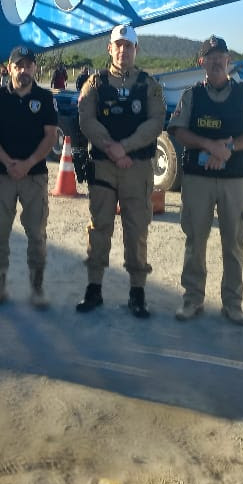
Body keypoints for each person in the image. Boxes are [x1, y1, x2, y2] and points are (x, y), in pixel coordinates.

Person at [167, 36, 243, 325]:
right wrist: (209, 146)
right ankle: (192, 298)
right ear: (202, 62)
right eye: (210, 57)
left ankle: (233, 303)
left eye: (221, 56)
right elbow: (178, 130)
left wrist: (227, 149)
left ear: (228, 60)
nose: (216, 61)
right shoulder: (191, 96)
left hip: (235, 179)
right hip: (199, 180)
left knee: (233, 242)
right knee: (195, 241)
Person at [75, 24, 165, 318]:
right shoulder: (94, 83)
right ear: (109, 48)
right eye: (118, 45)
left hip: (136, 168)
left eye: (128, 45)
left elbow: (156, 122)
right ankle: (94, 288)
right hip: (103, 167)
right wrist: (110, 147)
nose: (123, 50)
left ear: (136, 49)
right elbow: (86, 119)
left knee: (136, 229)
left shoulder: (149, 85)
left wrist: (124, 147)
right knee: (99, 227)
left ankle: (137, 292)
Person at [0, 45, 59, 309]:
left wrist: (28, 164)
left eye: (28, 65)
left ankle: (37, 288)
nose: (24, 70)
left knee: (36, 234)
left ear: (35, 68)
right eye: (19, 65)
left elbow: (51, 136)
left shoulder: (45, 98)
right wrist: (8, 162)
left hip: (34, 177)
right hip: (2, 176)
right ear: (9, 68)